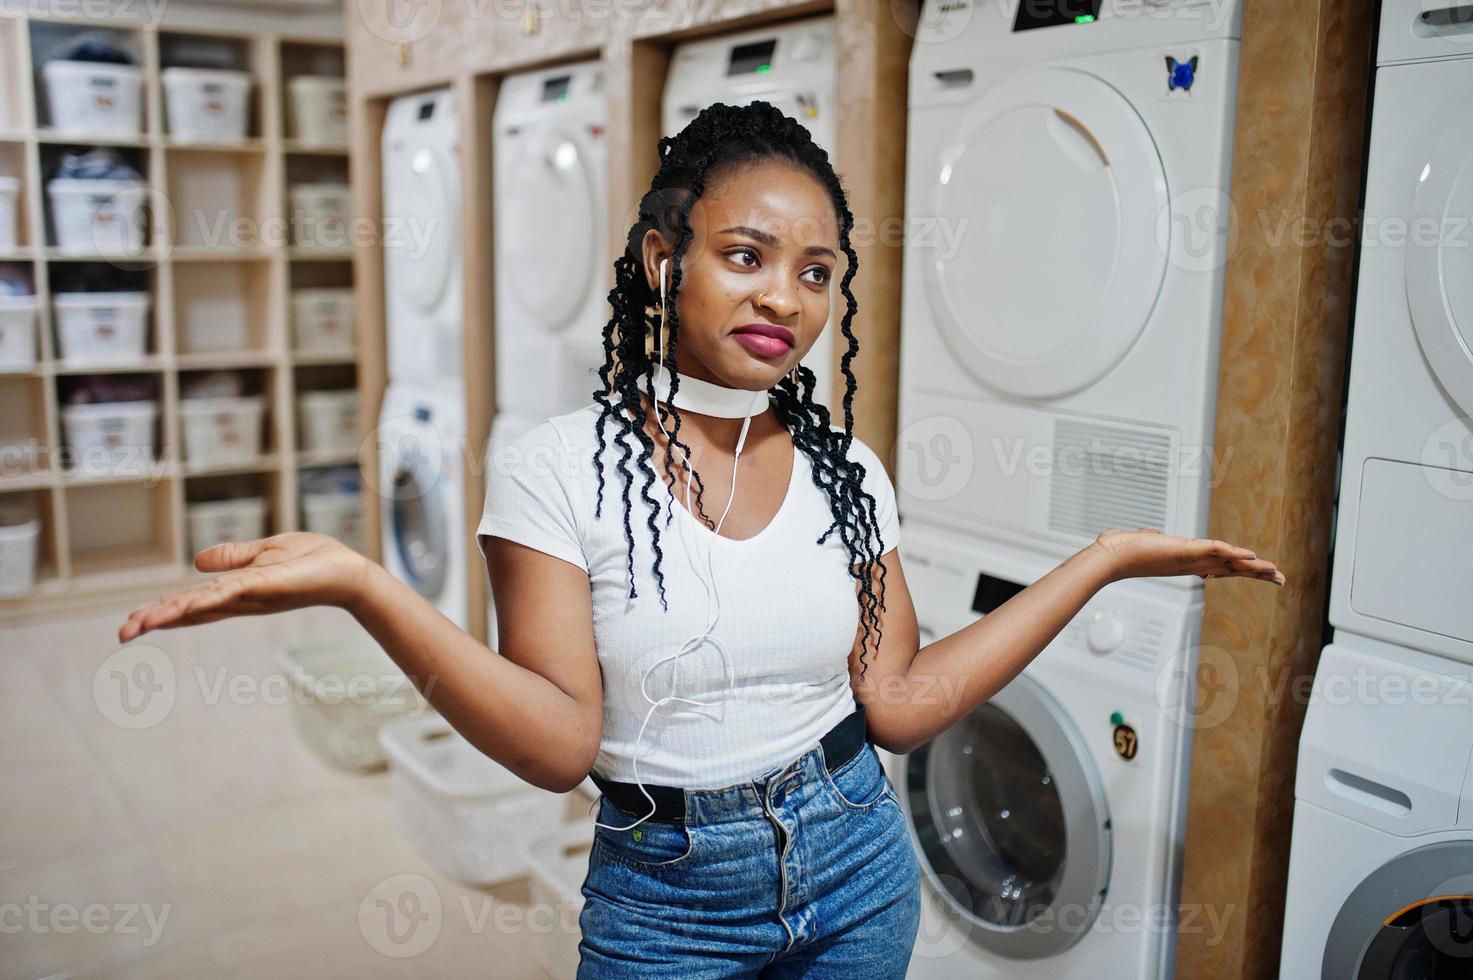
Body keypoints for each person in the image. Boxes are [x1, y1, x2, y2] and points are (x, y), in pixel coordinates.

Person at [117, 101, 1284, 978]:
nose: (786, 295)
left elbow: (904, 701)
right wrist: (367, 587)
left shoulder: (852, 476)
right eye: (748, 256)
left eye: (816, 271)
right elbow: (559, 742)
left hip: (860, 863)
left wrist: (1100, 557)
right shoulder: (551, 467)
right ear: (666, 261)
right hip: (666, 897)